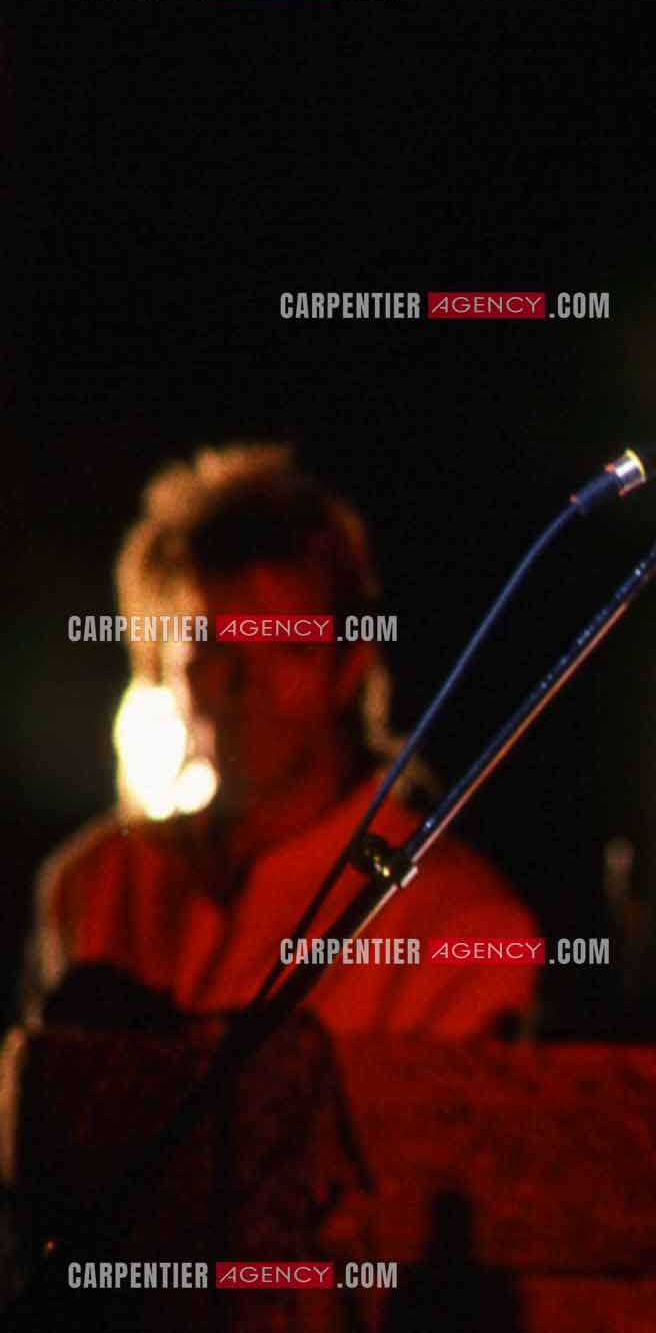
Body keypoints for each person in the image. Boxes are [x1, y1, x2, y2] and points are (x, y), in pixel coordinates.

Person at [21, 444, 540, 1040]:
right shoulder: (96, 882)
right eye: (211, 646)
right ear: (161, 666)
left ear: (350, 666)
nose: (249, 684)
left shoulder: (462, 922)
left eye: (290, 643)